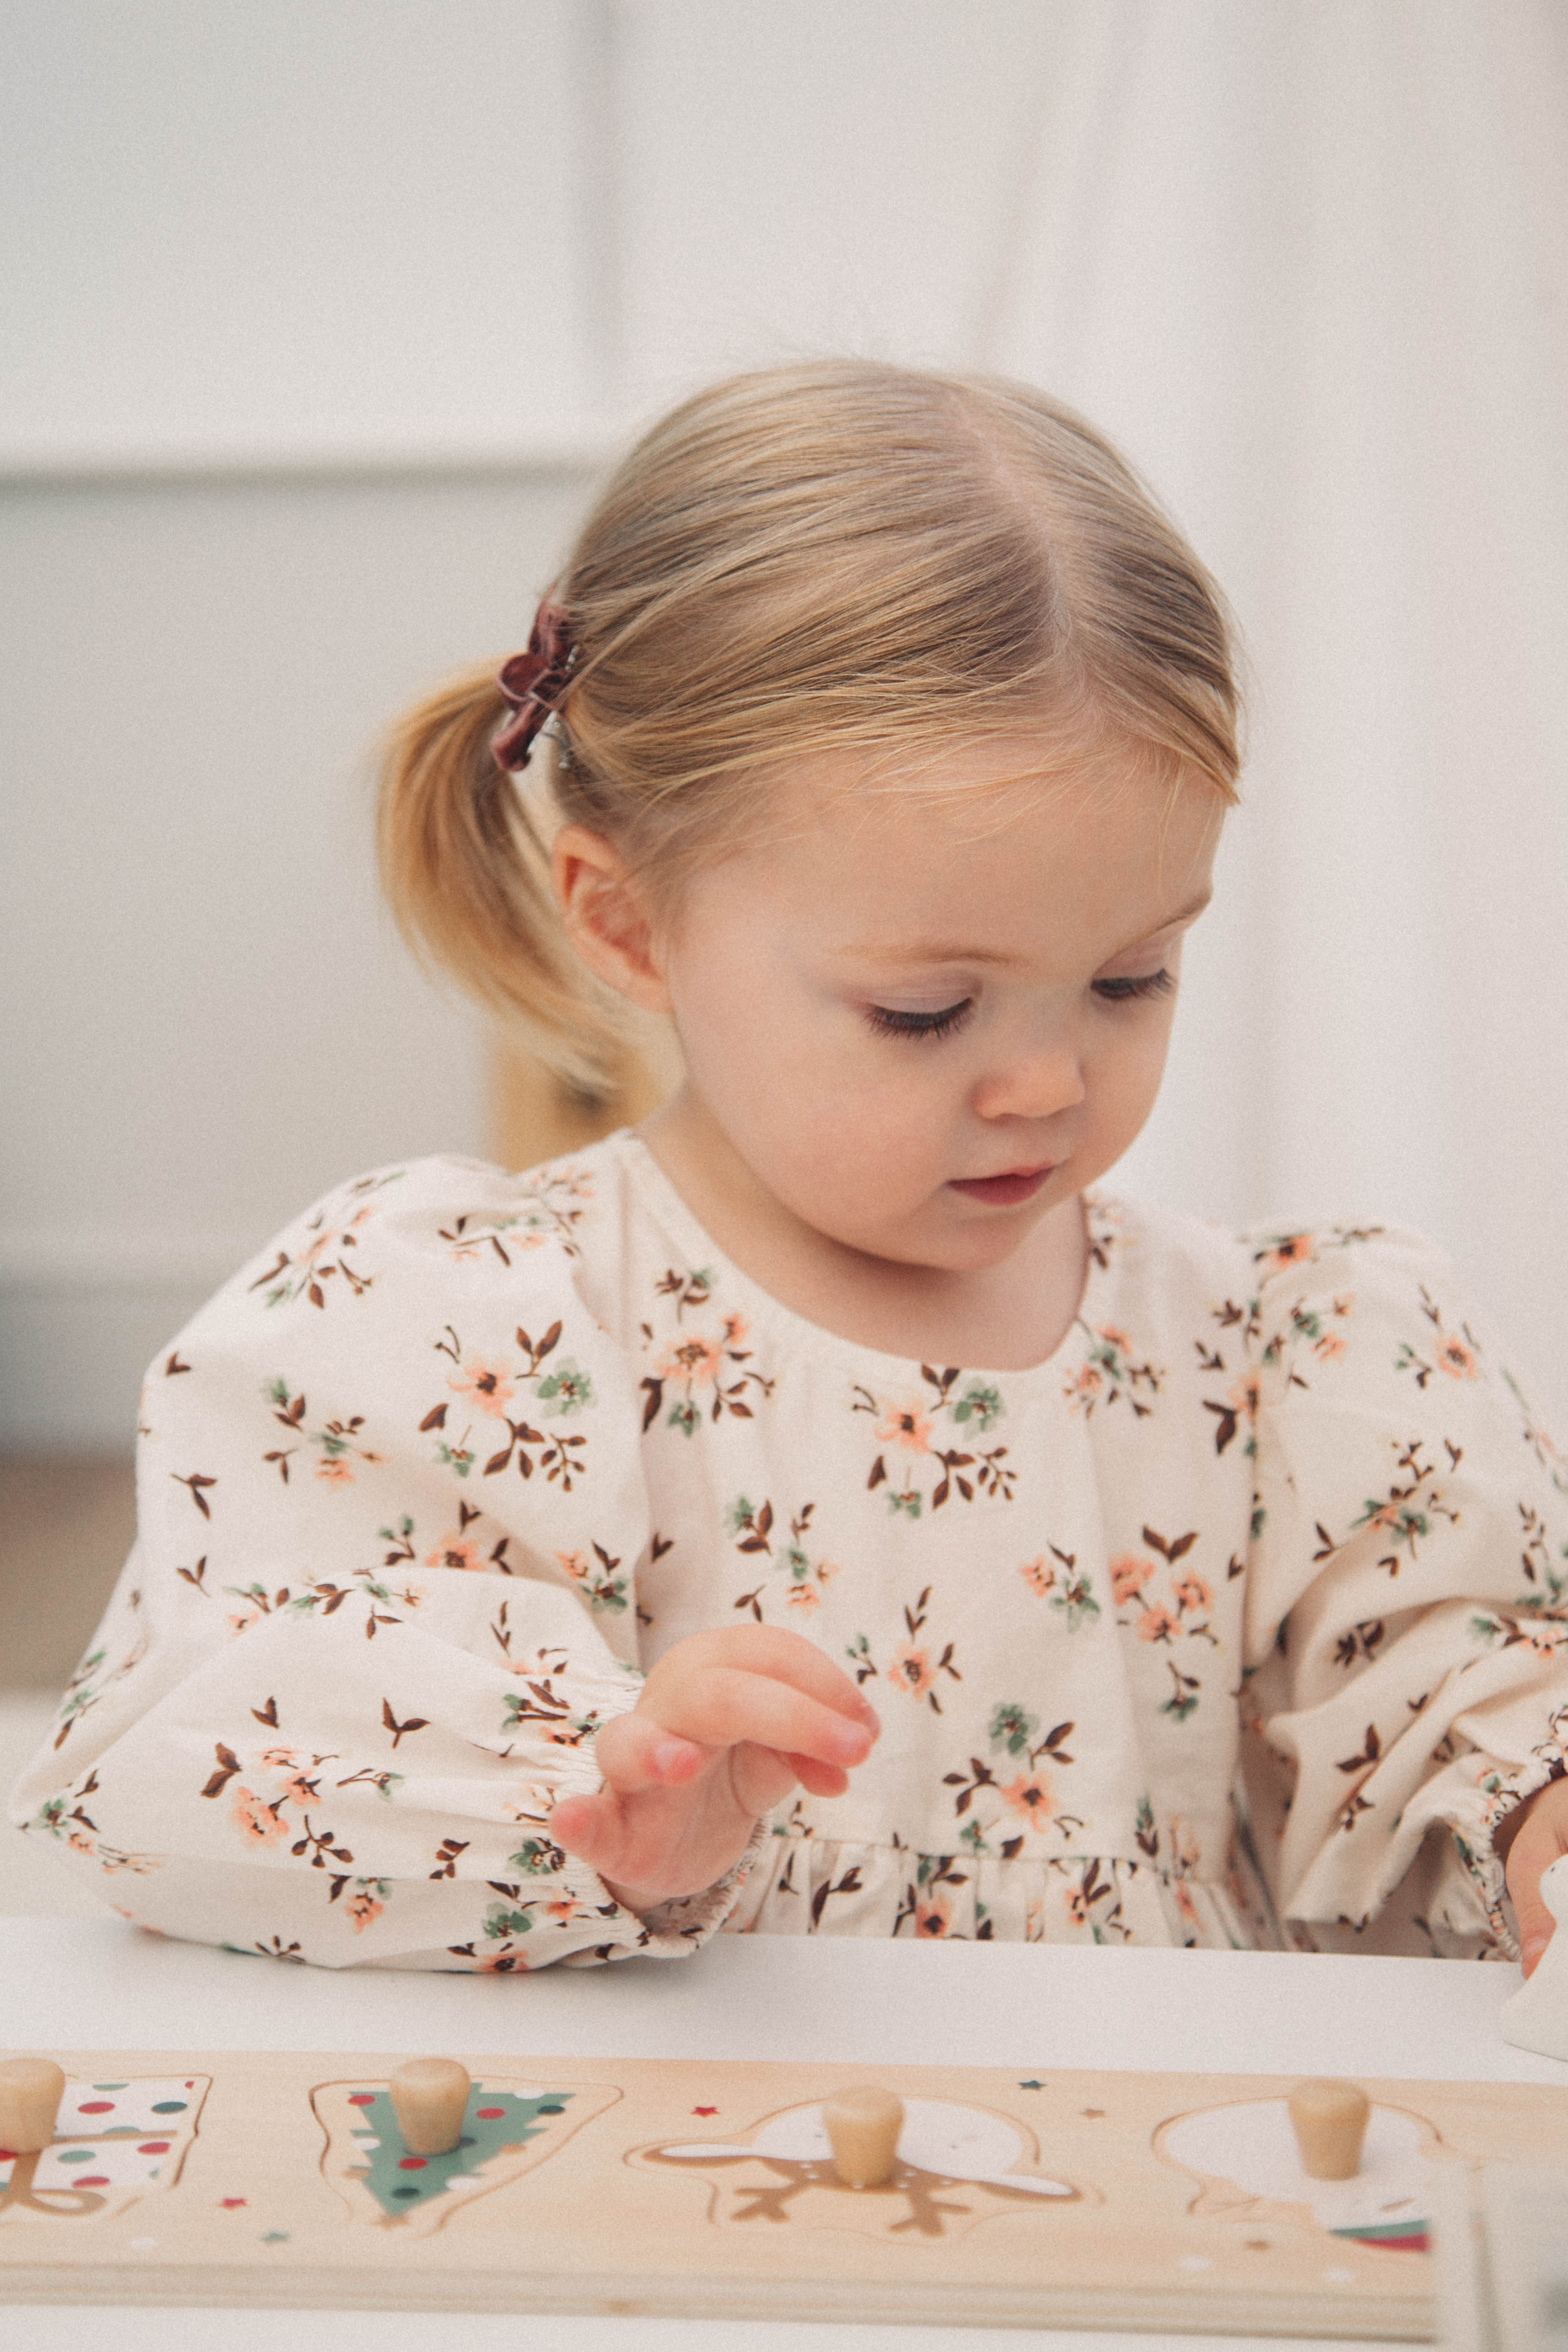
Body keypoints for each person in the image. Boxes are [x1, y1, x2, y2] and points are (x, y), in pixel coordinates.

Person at [14, 361, 1568, 1975]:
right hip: (684, 2124)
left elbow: (1444, 1688)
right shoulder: (485, 1338)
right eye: (927, 1010)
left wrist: (1529, 1814)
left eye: (1132, 977)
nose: (1048, 1082)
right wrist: (589, 1799)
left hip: (1158, 2130)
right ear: (628, 923)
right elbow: (217, 1756)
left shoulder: (1275, 1360)